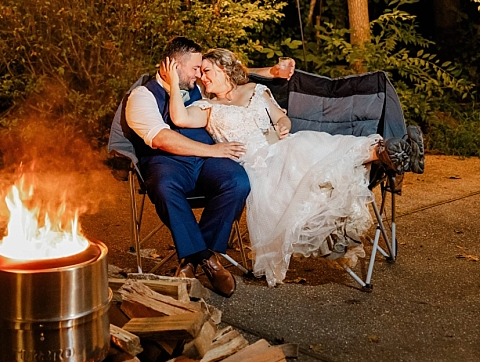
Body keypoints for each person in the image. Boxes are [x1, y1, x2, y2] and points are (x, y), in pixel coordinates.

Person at [160, 48, 424, 287]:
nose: (203, 78)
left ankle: (388, 152)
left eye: (207, 71)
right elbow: (179, 117)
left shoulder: (255, 90)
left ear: (224, 67)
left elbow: (280, 117)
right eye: (201, 73)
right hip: (256, 163)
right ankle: (389, 154)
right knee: (303, 166)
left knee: (314, 145)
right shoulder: (207, 107)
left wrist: (283, 125)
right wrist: (173, 83)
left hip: (279, 144)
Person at [124, 37, 292, 297]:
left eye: (201, 71)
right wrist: (213, 150)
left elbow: (227, 74)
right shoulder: (141, 96)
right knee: (163, 186)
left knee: (238, 181)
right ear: (172, 67)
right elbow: (162, 138)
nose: (199, 75)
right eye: (194, 69)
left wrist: (269, 71)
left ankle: (191, 260)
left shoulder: (197, 88)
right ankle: (208, 261)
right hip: (167, 163)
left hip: (205, 163)